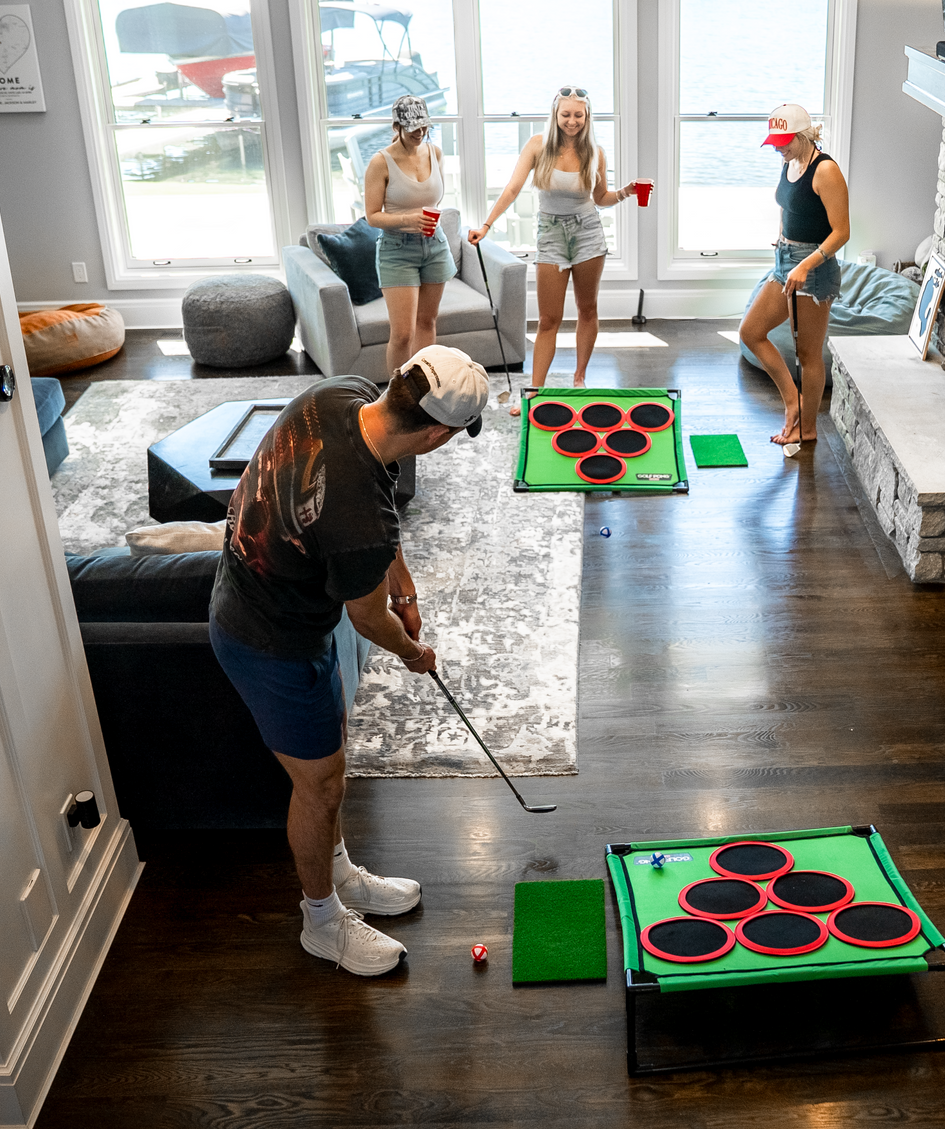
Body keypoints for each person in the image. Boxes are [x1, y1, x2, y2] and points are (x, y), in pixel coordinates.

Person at [209, 344, 489, 974]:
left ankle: (340, 877)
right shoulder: (356, 517)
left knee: (328, 766)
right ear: (439, 433)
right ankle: (322, 921)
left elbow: (374, 521)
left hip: (262, 598)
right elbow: (367, 617)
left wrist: (405, 586)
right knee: (322, 784)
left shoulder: (338, 395)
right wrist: (415, 652)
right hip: (269, 641)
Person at [469, 86, 644, 415]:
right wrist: (487, 225)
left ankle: (579, 379)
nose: (572, 121)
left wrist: (625, 192)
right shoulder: (538, 146)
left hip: (588, 232)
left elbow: (600, 198)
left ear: (587, 116)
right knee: (549, 319)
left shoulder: (596, 152)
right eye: (566, 115)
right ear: (555, 115)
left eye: (579, 115)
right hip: (550, 232)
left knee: (587, 310)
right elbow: (512, 188)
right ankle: (536, 388)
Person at [738, 102, 850, 450]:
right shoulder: (790, 162)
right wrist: (783, 235)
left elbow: (842, 232)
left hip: (813, 270)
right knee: (751, 332)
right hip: (784, 260)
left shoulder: (825, 170)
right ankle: (793, 403)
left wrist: (805, 264)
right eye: (774, 141)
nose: (778, 147)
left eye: (784, 141)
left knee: (808, 355)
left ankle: (808, 427)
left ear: (804, 135)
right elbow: (789, 206)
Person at [364, 95, 454, 379]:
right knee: (403, 334)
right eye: (413, 127)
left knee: (427, 322)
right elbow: (372, 215)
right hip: (397, 250)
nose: (420, 132)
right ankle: (396, 397)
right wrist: (407, 220)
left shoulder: (435, 153)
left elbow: (434, 199)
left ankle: (424, 390)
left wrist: (425, 219)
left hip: (435, 246)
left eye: (424, 126)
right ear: (396, 126)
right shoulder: (380, 162)